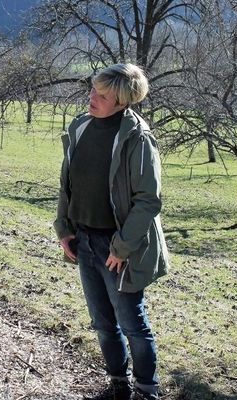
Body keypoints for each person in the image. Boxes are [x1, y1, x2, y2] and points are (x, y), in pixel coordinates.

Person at [54, 64, 169, 400]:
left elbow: (148, 201)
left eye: (101, 95)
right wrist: (64, 229)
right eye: (92, 89)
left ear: (121, 101)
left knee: (132, 322)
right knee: (102, 323)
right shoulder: (81, 126)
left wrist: (120, 248)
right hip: (84, 240)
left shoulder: (137, 138)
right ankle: (118, 385)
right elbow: (67, 185)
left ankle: (147, 391)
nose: (92, 97)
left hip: (118, 246)